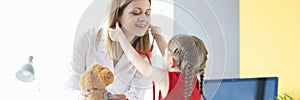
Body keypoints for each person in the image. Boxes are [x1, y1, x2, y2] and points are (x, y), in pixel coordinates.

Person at [65, 0, 166, 100]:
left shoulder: (146, 54)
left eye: (147, 13)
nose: (144, 19)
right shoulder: (88, 41)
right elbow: (69, 89)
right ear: (117, 14)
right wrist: (81, 97)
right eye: (136, 12)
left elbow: (137, 96)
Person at [110, 28, 208, 100]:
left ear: (171, 62)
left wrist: (120, 37)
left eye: (165, 54)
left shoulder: (165, 78)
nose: (163, 55)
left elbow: (136, 60)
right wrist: (158, 36)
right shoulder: (192, 81)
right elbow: (173, 56)